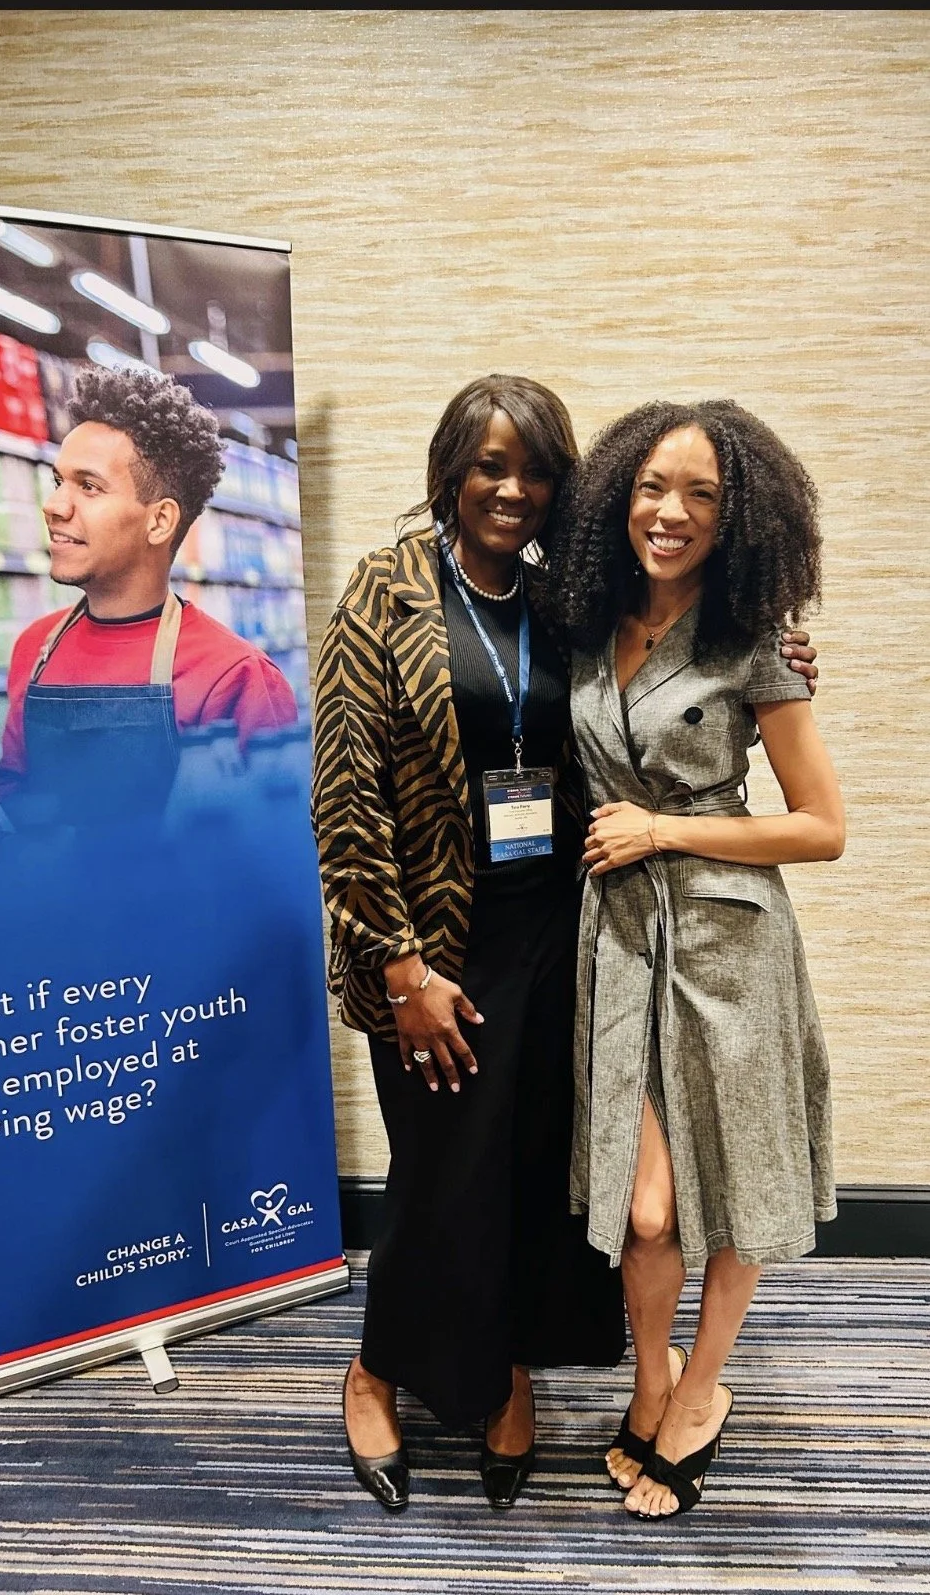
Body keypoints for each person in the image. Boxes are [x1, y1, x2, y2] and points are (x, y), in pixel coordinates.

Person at [311, 377, 819, 1512]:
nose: (512, 488)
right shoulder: (382, 598)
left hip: (566, 927)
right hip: (435, 946)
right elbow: (343, 803)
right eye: (490, 465)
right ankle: (376, 1370)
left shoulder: (564, 601)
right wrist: (399, 966)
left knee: (533, 1175)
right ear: (449, 471)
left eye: (536, 468)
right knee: (441, 1173)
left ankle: (504, 1377)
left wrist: (767, 660)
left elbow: (645, 706)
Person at [549, 400, 844, 1518]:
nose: (670, 513)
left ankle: (700, 1389)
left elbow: (821, 826)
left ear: (738, 518)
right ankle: (654, 1376)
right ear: (617, 496)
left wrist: (664, 828)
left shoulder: (755, 643)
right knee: (647, 1208)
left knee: (741, 1181)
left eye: (703, 496)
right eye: (652, 488)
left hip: (728, 939)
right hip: (620, 939)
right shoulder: (585, 619)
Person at [0, 366, 296, 825]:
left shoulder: (236, 677)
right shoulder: (34, 649)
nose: (54, 506)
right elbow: (14, 795)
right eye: (58, 482)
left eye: (88, 487)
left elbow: (269, 853)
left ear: (159, 521)